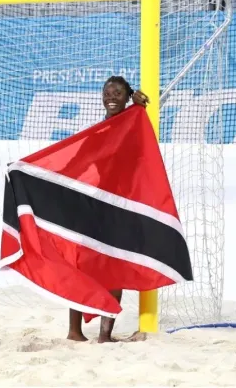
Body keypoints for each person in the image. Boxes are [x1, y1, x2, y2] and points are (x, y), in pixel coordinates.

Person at [65, 75, 150, 343]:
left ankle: (103, 335)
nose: (111, 96)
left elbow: (140, 138)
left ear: (127, 96)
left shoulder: (132, 122)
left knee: (113, 268)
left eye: (118, 93)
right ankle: (76, 332)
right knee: (84, 269)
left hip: (119, 207)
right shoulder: (98, 131)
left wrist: (140, 107)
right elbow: (75, 162)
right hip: (97, 207)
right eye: (107, 92)